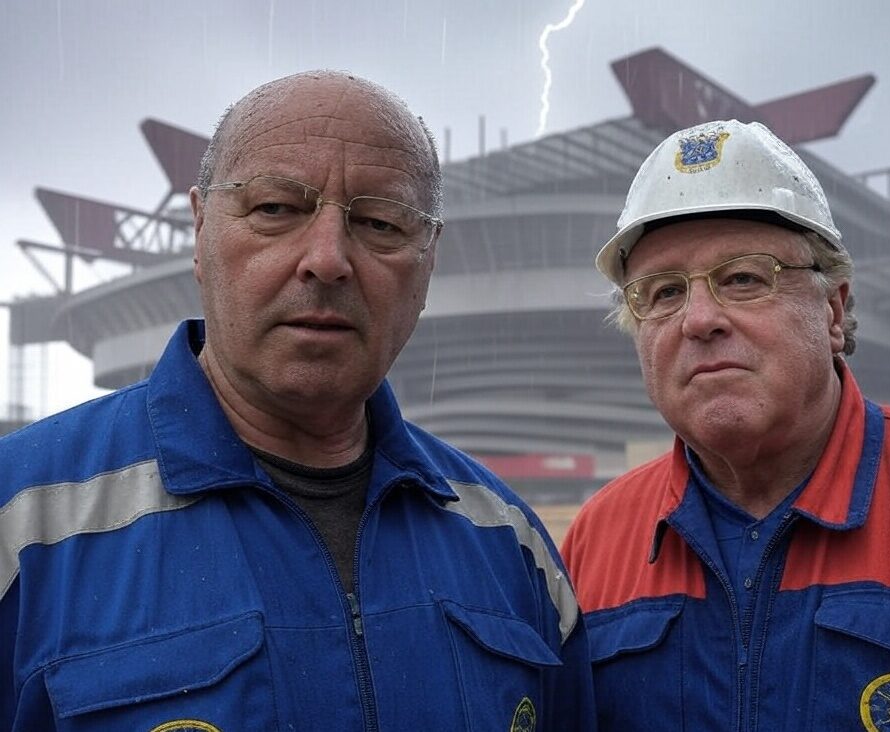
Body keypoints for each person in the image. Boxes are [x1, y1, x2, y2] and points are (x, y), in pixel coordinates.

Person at [0, 71, 595, 731]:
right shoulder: (20, 521)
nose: (327, 259)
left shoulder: (510, 545)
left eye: (380, 222)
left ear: (428, 262)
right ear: (200, 231)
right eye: (276, 209)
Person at [561, 119, 890, 730]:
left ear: (833, 311)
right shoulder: (596, 540)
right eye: (664, 292)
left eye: (744, 278)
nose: (698, 320)